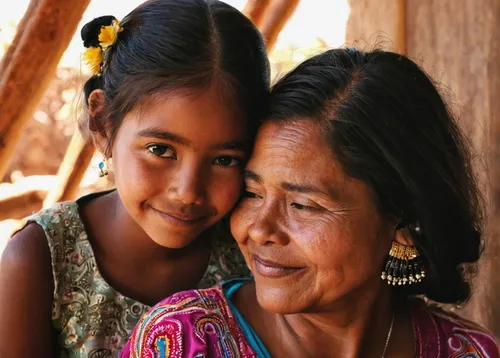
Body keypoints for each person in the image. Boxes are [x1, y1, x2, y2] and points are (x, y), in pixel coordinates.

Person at [122, 48, 500, 357]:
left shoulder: (471, 353)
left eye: (302, 205)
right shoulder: (181, 342)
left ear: (402, 222)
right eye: (253, 194)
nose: (258, 229)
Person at [0, 0, 269, 356]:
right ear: (102, 124)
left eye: (224, 159)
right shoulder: (43, 259)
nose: (188, 191)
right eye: (160, 150)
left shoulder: (255, 255)